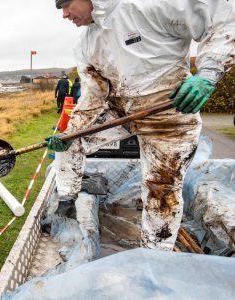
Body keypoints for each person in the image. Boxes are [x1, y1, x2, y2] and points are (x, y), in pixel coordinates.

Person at [48, 0, 234, 251]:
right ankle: (66, 202)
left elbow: (221, 19)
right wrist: (72, 131)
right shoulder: (86, 44)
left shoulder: (145, 5)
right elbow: (92, 96)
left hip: (169, 118)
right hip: (122, 113)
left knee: (162, 193)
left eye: (66, 4)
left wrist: (208, 73)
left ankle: (154, 257)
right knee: (70, 142)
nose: (64, 14)